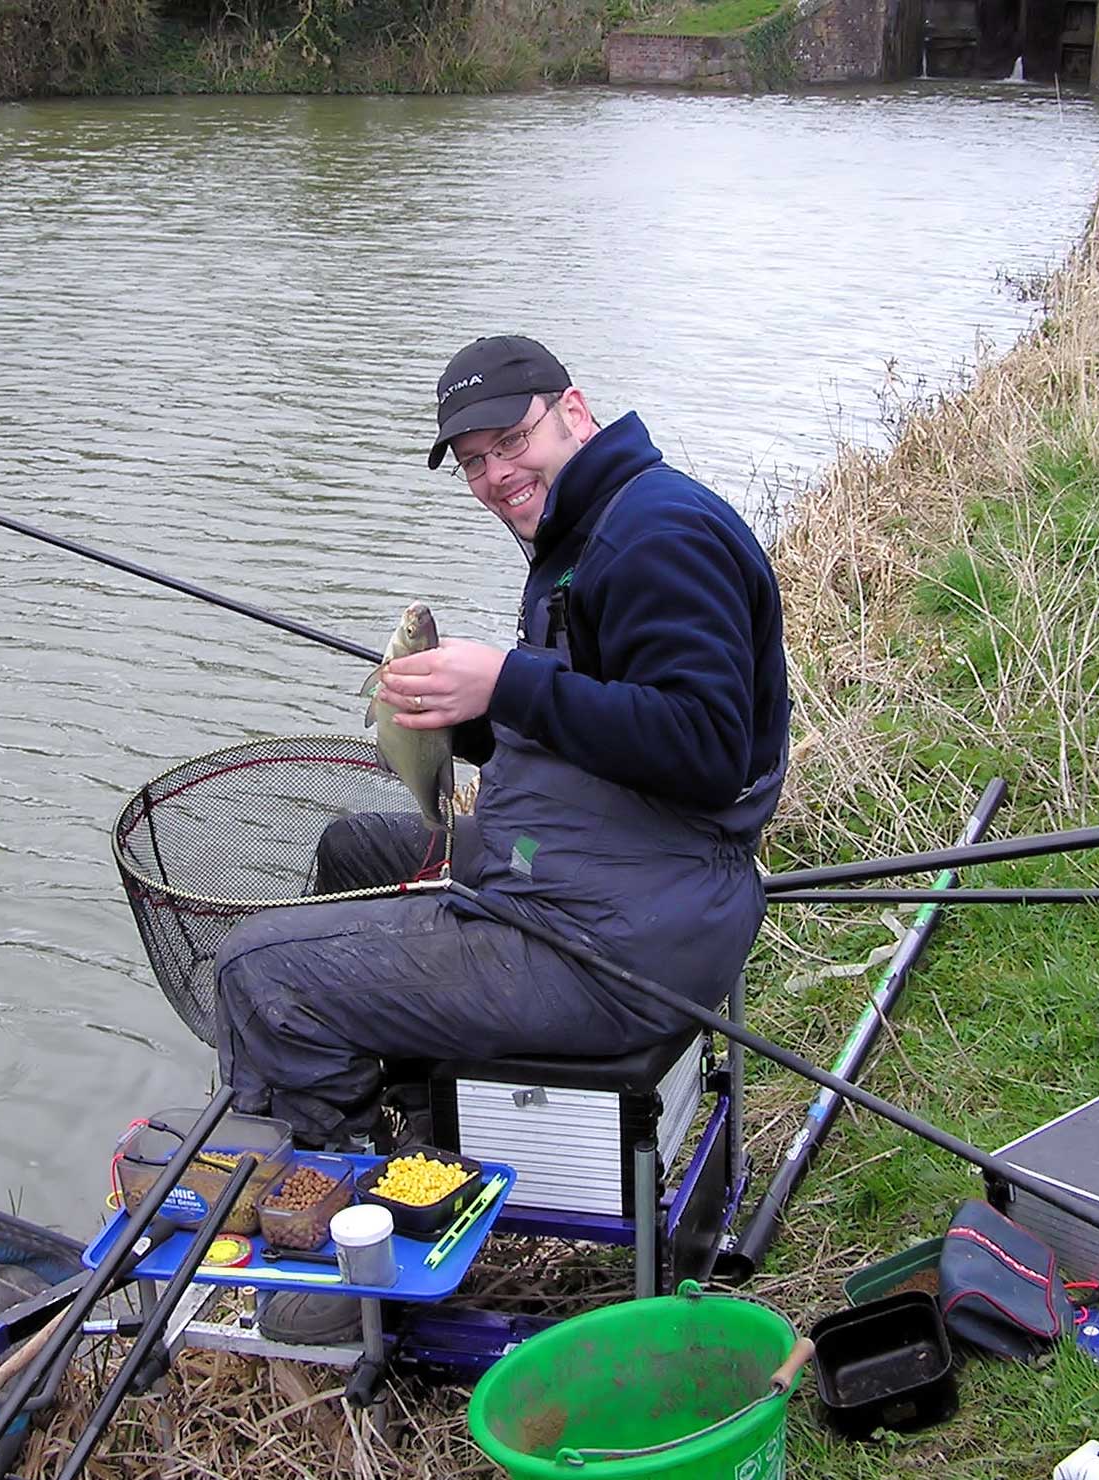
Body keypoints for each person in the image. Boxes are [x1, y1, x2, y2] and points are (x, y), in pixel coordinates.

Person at [214, 331, 788, 1160]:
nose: (495, 475)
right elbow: (597, 718)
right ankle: (426, 1119)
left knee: (256, 971)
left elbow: (706, 748)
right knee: (352, 848)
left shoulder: (656, 537)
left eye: (512, 441)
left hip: (616, 943)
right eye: (473, 461)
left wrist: (505, 683)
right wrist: (467, 717)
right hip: (603, 868)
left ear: (574, 413)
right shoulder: (592, 525)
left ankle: (342, 1242)